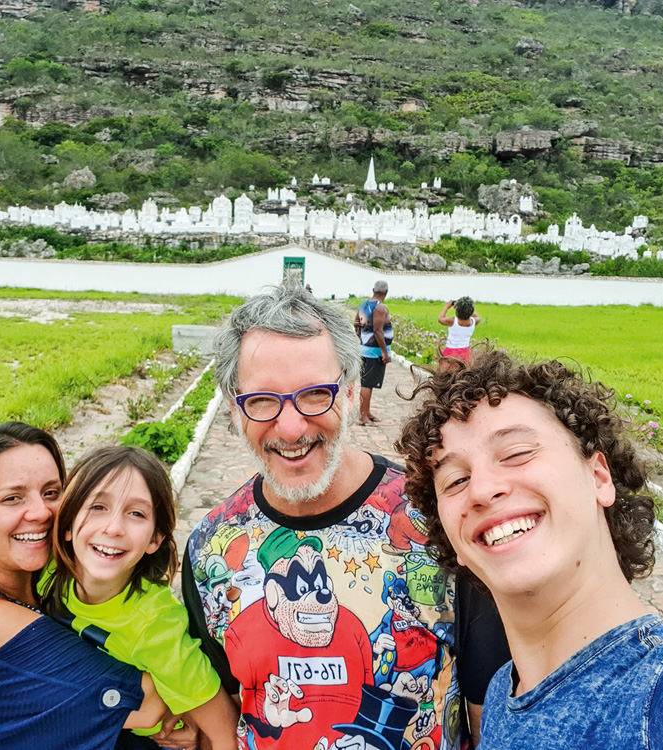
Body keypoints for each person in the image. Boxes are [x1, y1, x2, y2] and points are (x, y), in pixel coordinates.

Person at [182, 285, 509, 750]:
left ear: (352, 392)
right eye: (261, 401)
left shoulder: (436, 521)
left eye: (316, 394)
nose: (291, 427)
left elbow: (488, 710)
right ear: (236, 410)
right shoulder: (210, 549)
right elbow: (226, 709)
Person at [396, 350, 663, 748]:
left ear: (598, 477)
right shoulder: (501, 696)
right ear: (452, 541)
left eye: (516, 453)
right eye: (455, 480)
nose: (482, 490)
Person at [0, 422, 167, 750]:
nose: (41, 512)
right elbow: (148, 704)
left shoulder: (38, 575)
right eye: (12, 498)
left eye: (51, 493)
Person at [39, 445, 239, 750]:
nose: (114, 528)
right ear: (66, 523)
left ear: (155, 539)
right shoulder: (46, 573)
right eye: (97, 507)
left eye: (136, 513)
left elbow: (222, 728)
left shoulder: (156, 627)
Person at [355, 280, 394, 426]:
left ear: (373, 290)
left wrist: (362, 338)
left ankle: (367, 412)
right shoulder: (380, 308)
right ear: (386, 293)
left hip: (367, 349)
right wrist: (384, 352)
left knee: (369, 383)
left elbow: (356, 324)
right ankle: (362, 416)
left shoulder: (364, 305)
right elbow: (378, 331)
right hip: (374, 352)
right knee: (367, 384)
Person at [437, 297, 479, 363]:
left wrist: (446, 307)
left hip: (450, 351)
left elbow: (440, 319)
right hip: (465, 351)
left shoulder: (453, 321)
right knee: (463, 371)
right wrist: (467, 307)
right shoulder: (473, 321)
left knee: (445, 370)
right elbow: (477, 316)